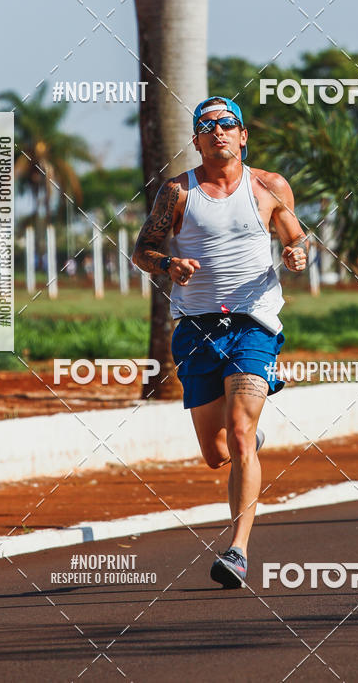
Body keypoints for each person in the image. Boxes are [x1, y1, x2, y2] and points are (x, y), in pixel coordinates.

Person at [132, 96, 308, 588]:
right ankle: (246, 441)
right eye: (207, 126)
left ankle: (237, 550)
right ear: (196, 140)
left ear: (243, 134)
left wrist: (296, 255)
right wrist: (169, 265)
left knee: (239, 431)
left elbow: (296, 237)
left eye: (227, 124)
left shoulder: (269, 186)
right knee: (216, 452)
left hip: (254, 323)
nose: (218, 132)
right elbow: (143, 249)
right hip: (195, 327)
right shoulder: (178, 192)